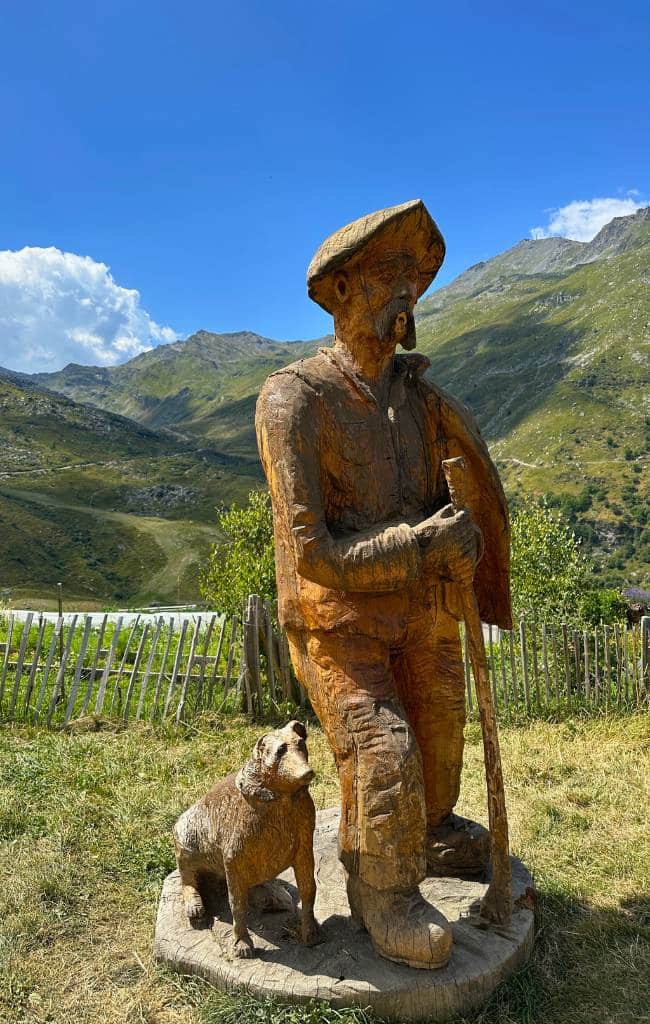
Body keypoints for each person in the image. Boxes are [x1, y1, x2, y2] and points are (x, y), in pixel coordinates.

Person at [255, 200, 511, 969]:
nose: (405, 293)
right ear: (340, 292)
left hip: (417, 611)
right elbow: (312, 554)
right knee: (384, 748)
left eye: (414, 277)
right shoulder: (294, 399)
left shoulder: (418, 399)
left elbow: (448, 498)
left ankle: (425, 834)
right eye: (385, 275)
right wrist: (421, 543)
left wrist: (460, 533)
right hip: (336, 621)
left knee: (439, 741)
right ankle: (383, 890)